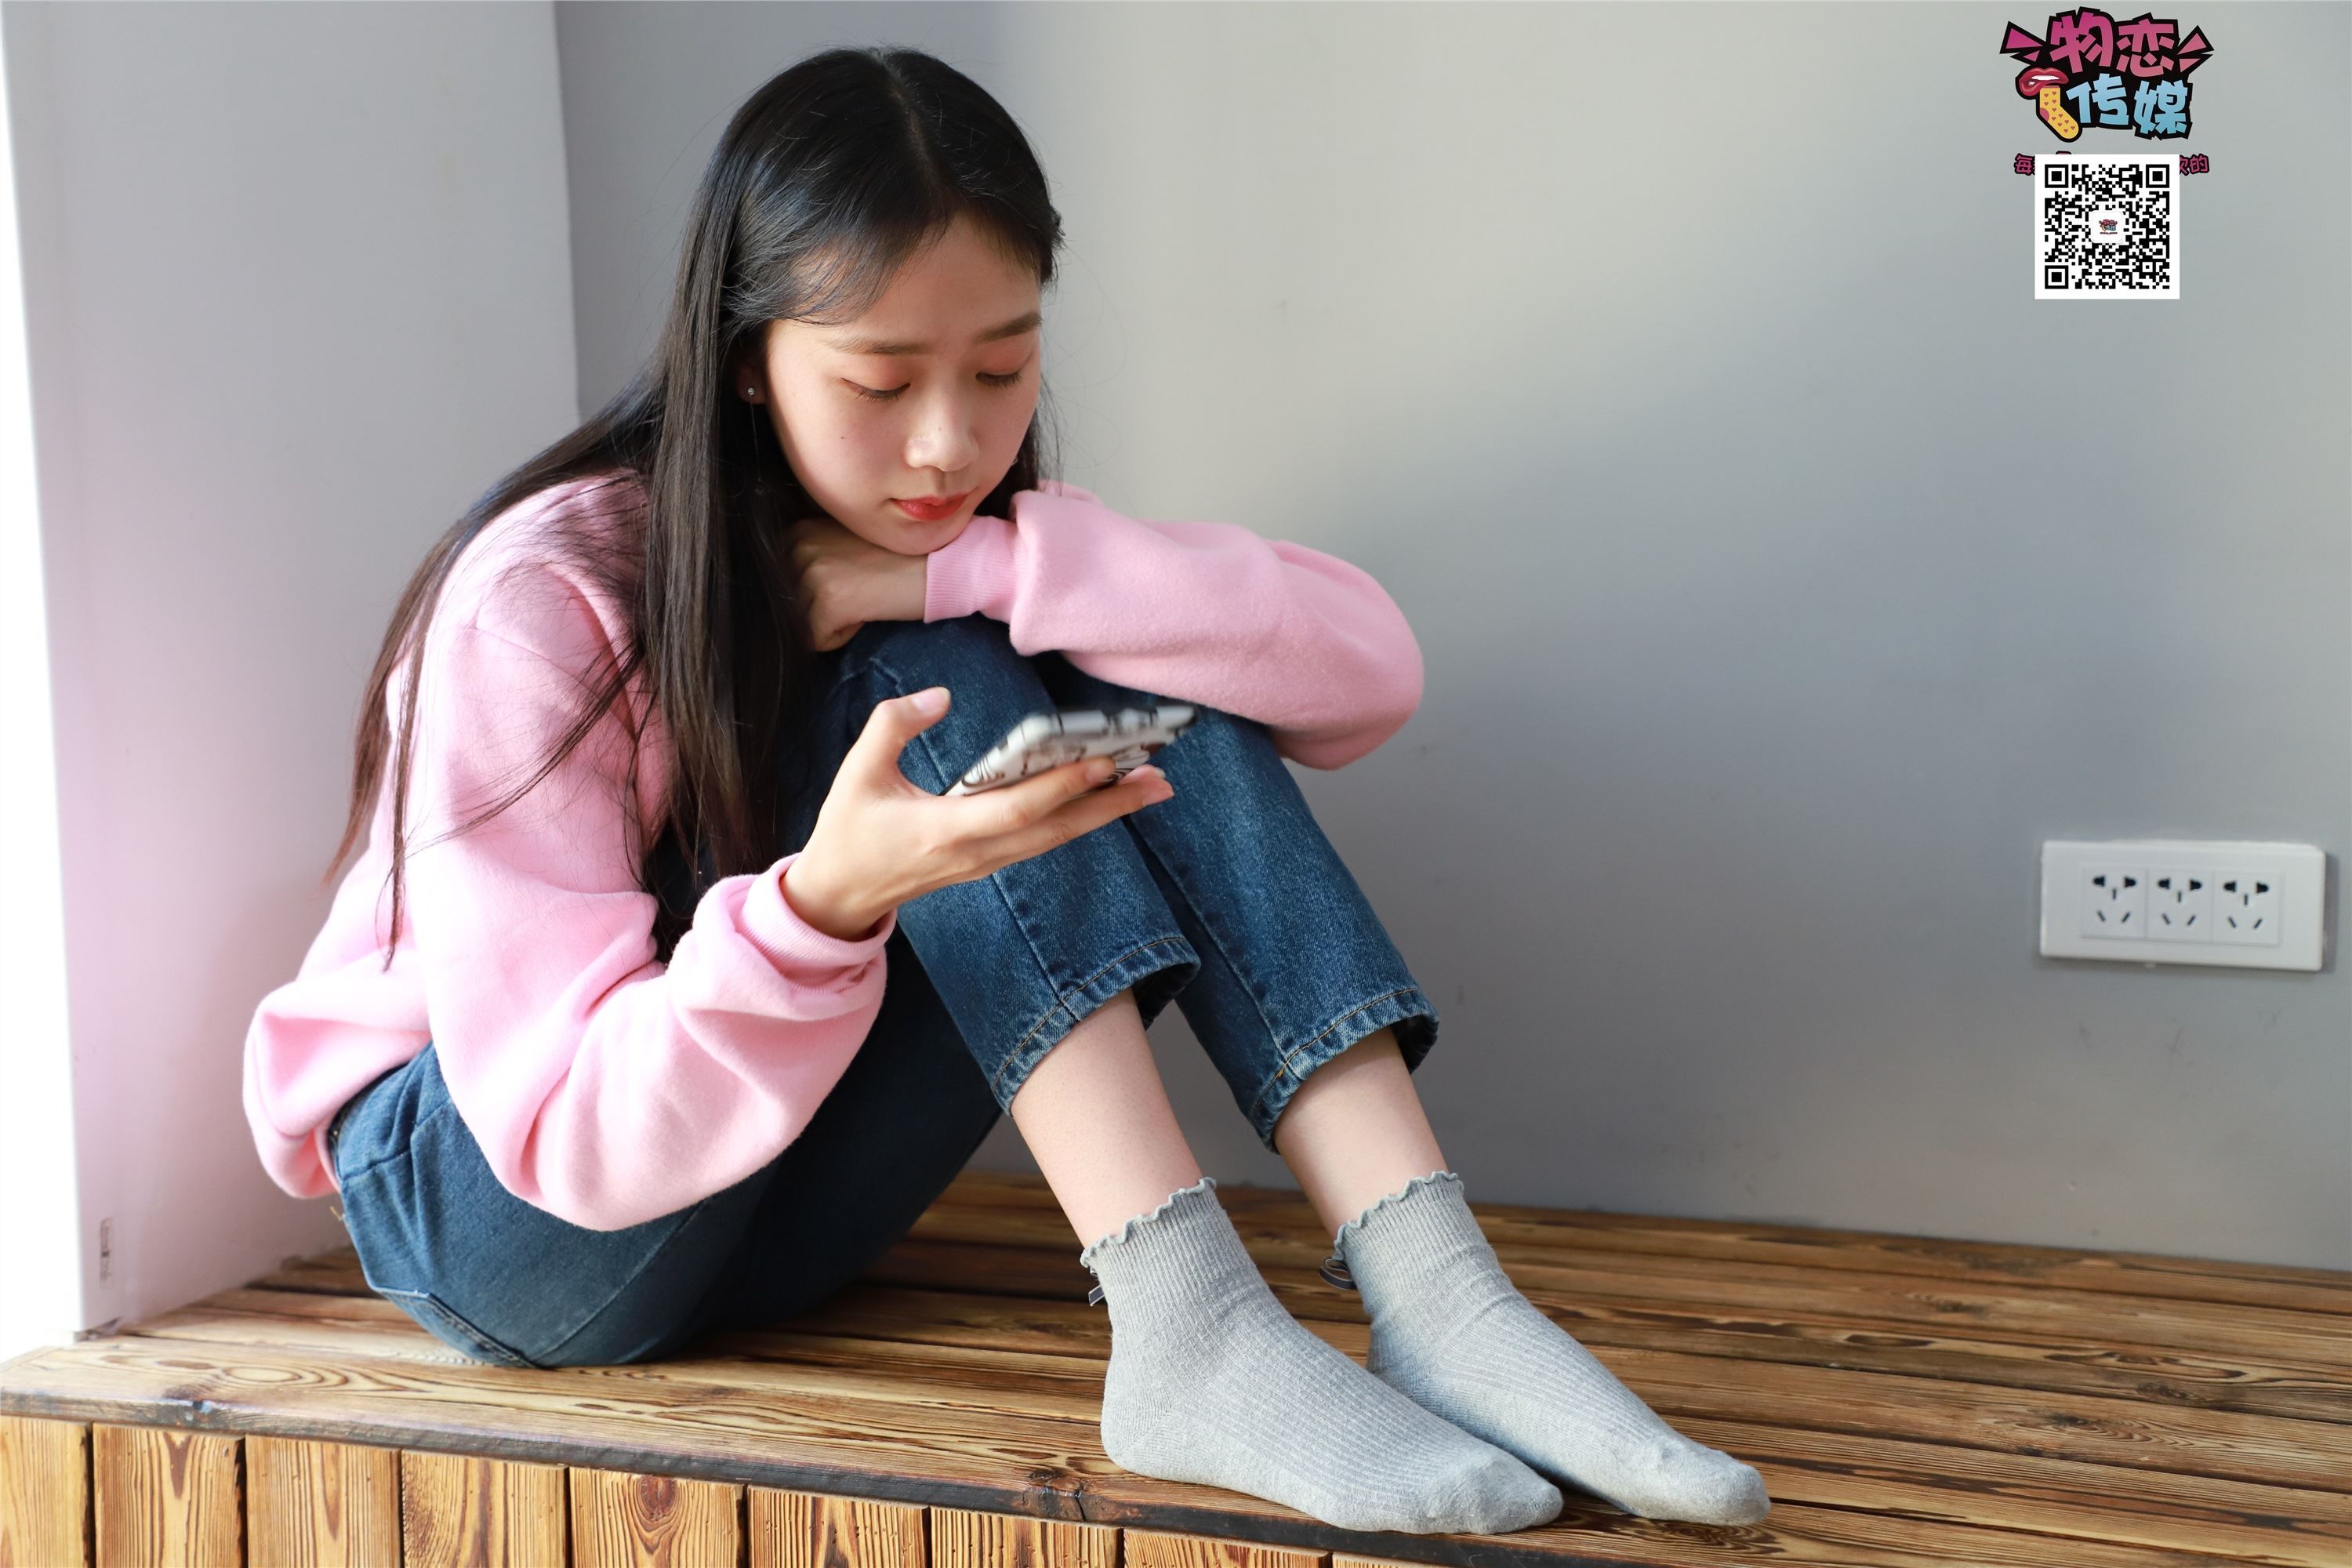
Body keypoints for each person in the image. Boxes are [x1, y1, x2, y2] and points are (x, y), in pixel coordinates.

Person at [240, 45, 1769, 1536]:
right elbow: (566, 1134)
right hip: (501, 1205)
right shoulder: (552, 595)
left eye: (1001, 366)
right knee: (955, 674)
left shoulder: (949, 540)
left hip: (767, 1195)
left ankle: (1441, 1292)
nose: (948, 442)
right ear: (747, 361)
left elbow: (1362, 667)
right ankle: (1187, 1317)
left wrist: (966, 561)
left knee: (1147, 683)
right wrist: (826, 900)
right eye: (881, 377)